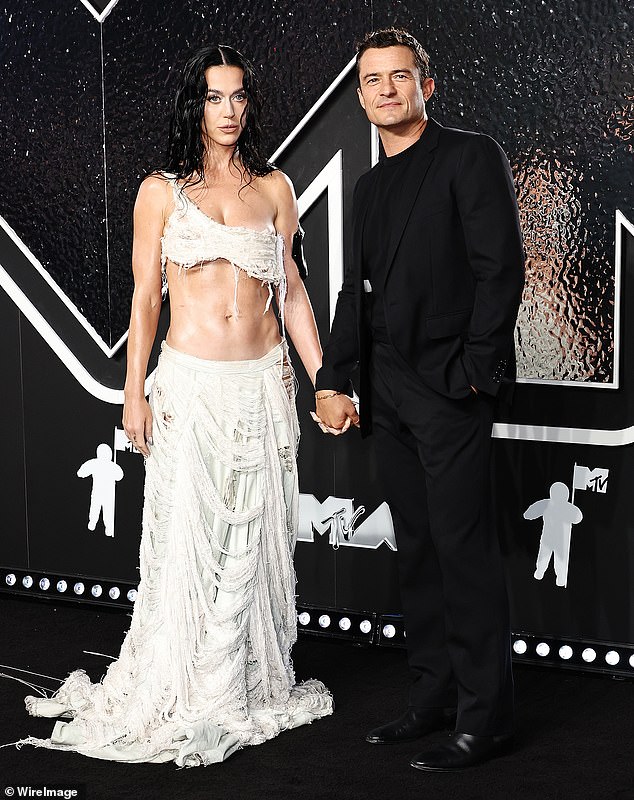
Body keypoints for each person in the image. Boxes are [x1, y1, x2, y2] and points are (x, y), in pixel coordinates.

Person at [19, 44, 332, 766]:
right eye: (215, 97)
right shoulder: (160, 191)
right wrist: (133, 392)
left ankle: (238, 682)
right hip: (190, 387)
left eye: (239, 96)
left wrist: (324, 379)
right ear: (196, 105)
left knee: (253, 541)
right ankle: (184, 684)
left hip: (263, 385)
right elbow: (145, 298)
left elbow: (292, 291)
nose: (229, 110)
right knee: (188, 542)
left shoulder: (275, 188)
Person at [314, 28, 525, 771]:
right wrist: (334, 377)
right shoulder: (369, 188)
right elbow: (355, 293)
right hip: (388, 391)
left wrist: (474, 373)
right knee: (419, 550)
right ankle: (432, 697)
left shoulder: (470, 156)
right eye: (372, 80)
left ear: (425, 85)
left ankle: (485, 719)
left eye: (399, 76)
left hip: (449, 388)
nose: (386, 90)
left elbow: (502, 269)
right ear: (361, 95)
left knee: (464, 552)